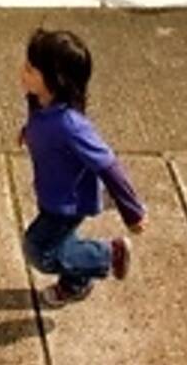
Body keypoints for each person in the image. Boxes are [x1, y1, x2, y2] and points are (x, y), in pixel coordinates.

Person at [18, 28, 145, 307]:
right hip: (52, 191)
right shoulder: (39, 101)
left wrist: (133, 212)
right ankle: (75, 283)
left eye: (30, 69)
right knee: (61, 241)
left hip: (68, 203)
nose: (21, 72)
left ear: (55, 80)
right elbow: (41, 125)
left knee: (39, 250)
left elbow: (109, 165)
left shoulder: (72, 126)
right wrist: (28, 133)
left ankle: (108, 255)